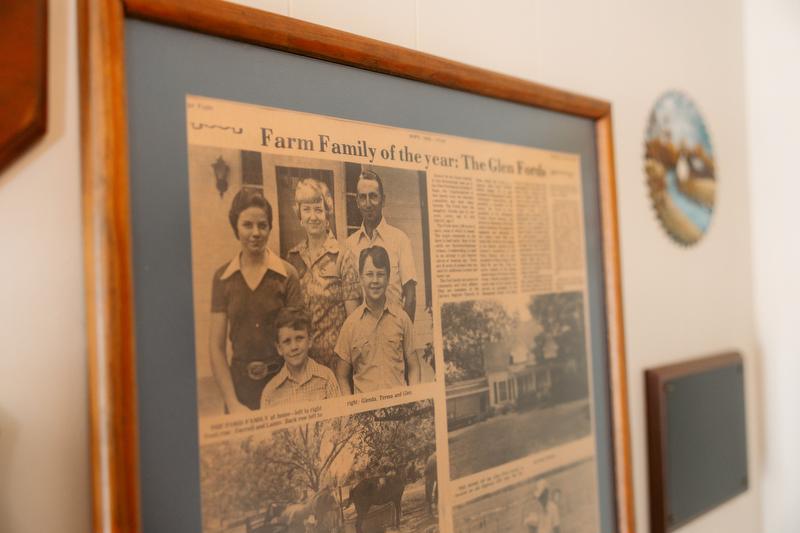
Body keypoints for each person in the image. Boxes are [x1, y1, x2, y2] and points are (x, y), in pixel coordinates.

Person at [209, 188, 302, 413]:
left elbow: (298, 343)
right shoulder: (223, 279)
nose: (256, 232)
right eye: (247, 225)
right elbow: (216, 347)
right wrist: (232, 402)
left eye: (262, 225)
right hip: (239, 391)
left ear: (270, 227)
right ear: (236, 227)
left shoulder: (287, 275)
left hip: (282, 386)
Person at [285, 178, 360, 370]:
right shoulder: (292, 258)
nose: (313, 216)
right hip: (301, 362)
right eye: (307, 209)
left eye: (319, 209)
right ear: (300, 216)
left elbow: (353, 321)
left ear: (327, 214)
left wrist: (346, 365)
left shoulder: (343, 256)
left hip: (335, 363)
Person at [334, 246, 421, 394]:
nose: (375, 280)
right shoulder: (350, 325)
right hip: (366, 411)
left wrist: (413, 398)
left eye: (380, 274)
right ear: (361, 278)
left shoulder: (402, 319)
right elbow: (341, 375)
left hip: (399, 406)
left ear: (388, 278)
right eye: (369, 274)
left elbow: (413, 366)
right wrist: (350, 408)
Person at [346, 170, 418, 321]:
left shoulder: (400, 240)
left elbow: (410, 298)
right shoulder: (349, 245)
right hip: (363, 335)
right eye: (363, 197)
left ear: (383, 200)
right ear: (357, 202)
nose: (368, 204)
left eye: (373, 196)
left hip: (393, 333)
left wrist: (402, 334)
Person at [261, 307, 341, 407]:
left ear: (310, 340)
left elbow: (338, 417)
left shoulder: (326, 378)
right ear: (279, 348)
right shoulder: (270, 392)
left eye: (299, 338)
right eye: (287, 341)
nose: (294, 347)